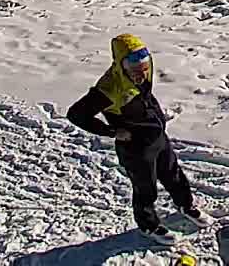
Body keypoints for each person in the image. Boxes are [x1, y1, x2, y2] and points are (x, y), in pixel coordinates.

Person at [66, 33, 203, 234]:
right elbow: (76, 114)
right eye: (135, 68)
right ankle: (148, 226)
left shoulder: (143, 74)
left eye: (145, 66)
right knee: (145, 190)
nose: (142, 73)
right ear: (121, 65)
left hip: (157, 138)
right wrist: (112, 131)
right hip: (136, 149)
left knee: (173, 175)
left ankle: (186, 205)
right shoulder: (109, 88)